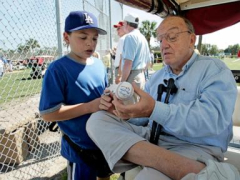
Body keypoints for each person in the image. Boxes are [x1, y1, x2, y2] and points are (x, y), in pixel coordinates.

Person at [86, 15, 240, 180]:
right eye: (160, 40)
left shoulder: (214, 70)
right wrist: (122, 111)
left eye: (172, 37)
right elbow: (143, 118)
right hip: (153, 139)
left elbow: (211, 121)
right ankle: (188, 169)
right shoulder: (157, 77)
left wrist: (154, 109)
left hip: (196, 146)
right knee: (97, 120)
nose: (164, 45)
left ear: (191, 39)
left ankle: (146, 159)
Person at [39, 11, 110, 180]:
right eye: (83, 37)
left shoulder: (99, 65)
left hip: (103, 140)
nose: (90, 43)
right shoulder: (58, 69)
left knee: (104, 174)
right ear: (66, 37)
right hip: (80, 147)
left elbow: (103, 96)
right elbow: (48, 113)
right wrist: (89, 107)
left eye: (94, 38)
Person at [120, 13, 150, 90]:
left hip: (132, 77)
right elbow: (148, 62)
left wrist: (122, 82)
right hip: (141, 76)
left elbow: (128, 63)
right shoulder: (142, 37)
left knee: (128, 102)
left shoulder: (130, 36)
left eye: (124, 24)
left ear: (126, 23)